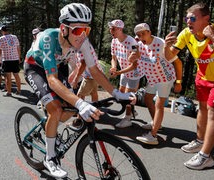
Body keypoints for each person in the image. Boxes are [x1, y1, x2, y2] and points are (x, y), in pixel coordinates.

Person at [23, 3, 135, 178]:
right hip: (35, 67)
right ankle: (50, 158)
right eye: (77, 30)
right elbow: (51, 81)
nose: (82, 35)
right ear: (63, 29)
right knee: (56, 108)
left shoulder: (82, 41)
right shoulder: (48, 38)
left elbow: (95, 71)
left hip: (57, 66)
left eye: (86, 30)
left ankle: (49, 128)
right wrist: (81, 102)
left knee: (69, 111)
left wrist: (116, 93)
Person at [164, 2, 214, 170]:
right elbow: (168, 57)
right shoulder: (186, 34)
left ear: (206, 19)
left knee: (213, 114)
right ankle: (200, 141)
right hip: (202, 77)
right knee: (202, 108)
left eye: (193, 18)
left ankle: (206, 156)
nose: (188, 21)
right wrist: (166, 46)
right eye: (187, 18)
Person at [133, 23, 182, 145]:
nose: (141, 37)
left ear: (149, 32)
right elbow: (135, 57)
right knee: (148, 98)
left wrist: (178, 82)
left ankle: (153, 136)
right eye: (138, 35)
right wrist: (131, 57)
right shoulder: (139, 45)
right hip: (153, 78)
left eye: (143, 33)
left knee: (159, 104)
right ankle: (156, 123)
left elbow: (178, 63)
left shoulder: (161, 44)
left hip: (165, 78)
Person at [108, 19, 143, 128]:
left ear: (120, 29)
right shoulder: (114, 41)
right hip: (124, 70)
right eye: (110, 29)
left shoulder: (131, 42)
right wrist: (114, 67)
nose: (111, 31)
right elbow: (113, 57)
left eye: (113, 29)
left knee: (128, 96)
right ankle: (131, 110)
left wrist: (118, 72)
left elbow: (134, 65)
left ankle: (127, 118)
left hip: (134, 72)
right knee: (121, 93)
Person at [0, 25, 21, 96]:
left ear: (3, 31)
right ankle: (19, 90)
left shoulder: (1, 38)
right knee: (16, 75)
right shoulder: (15, 37)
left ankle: (9, 92)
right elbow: (18, 48)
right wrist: (19, 58)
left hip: (7, 59)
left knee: (8, 76)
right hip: (15, 59)